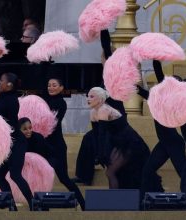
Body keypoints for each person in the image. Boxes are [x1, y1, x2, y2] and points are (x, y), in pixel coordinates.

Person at [72, 29, 125, 185]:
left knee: (98, 140)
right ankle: (84, 175)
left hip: (114, 120)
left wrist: (103, 27)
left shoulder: (115, 73)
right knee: (89, 139)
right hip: (104, 119)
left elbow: (107, 47)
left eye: (104, 57)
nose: (102, 59)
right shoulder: (107, 74)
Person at [137, 60, 186, 196]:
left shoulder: (173, 102)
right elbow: (146, 94)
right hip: (165, 143)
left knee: (184, 173)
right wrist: (137, 89)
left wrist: (156, 58)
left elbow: (158, 72)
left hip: (174, 143)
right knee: (147, 170)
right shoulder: (159, 99)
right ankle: (145, 199)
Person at [88, 87, 150, 189]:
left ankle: (115, 202)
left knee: (110, 172)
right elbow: (96, 134)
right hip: (118, 142)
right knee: (114, 172)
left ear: (100, 98)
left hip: (130, 142)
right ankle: (117, 200)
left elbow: (102, 134)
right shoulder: (93, 112)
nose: (88, 99)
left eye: (91, 96)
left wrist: (101, 154)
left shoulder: (104, 110)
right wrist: (99, 154)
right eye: (88, 96)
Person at [43, 77, 86, 210]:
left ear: (61, 88)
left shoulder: (61, 103)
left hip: (56, 147)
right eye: (49, 85)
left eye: (54, 85)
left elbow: (51, 124)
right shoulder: (46, 100)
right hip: (44, 145)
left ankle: (84, 204)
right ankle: (39, 204)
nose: (51, 87)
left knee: (64, 178)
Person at [0, 73, 33, 210]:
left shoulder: (10, 100)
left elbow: (3, 120)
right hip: (8, 144)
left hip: (17, 143)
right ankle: (12, 207)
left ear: (9, 85)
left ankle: (34, 205)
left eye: (1, 80)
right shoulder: (3, 98)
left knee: (15, 175)